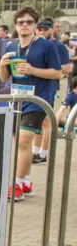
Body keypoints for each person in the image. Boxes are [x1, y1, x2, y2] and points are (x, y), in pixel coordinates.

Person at [0, 7, 62, 200]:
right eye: (21, 22)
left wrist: (33, 70)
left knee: (24, 141)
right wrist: (1, 65)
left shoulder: (47, 46)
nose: (24, 25)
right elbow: (4, 78)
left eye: (29, 22)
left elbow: (57, 73)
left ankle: (17, 185)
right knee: (20, 143)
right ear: (15, 26)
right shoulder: (10, 47)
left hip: (38, 99)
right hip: (17, 99)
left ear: (35, 25)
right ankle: (25, 182)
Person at [33, 19, 72, 164]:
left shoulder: (58, 46)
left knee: (45, 120)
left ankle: (43, 153)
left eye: (45, 29)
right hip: (33, 87)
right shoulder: (34, 44)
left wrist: (46, 70)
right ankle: (35, 151)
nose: (42, 32)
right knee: (35, 121)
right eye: (40, 29)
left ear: (51, 30)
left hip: (49, 87)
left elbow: (66, 69)